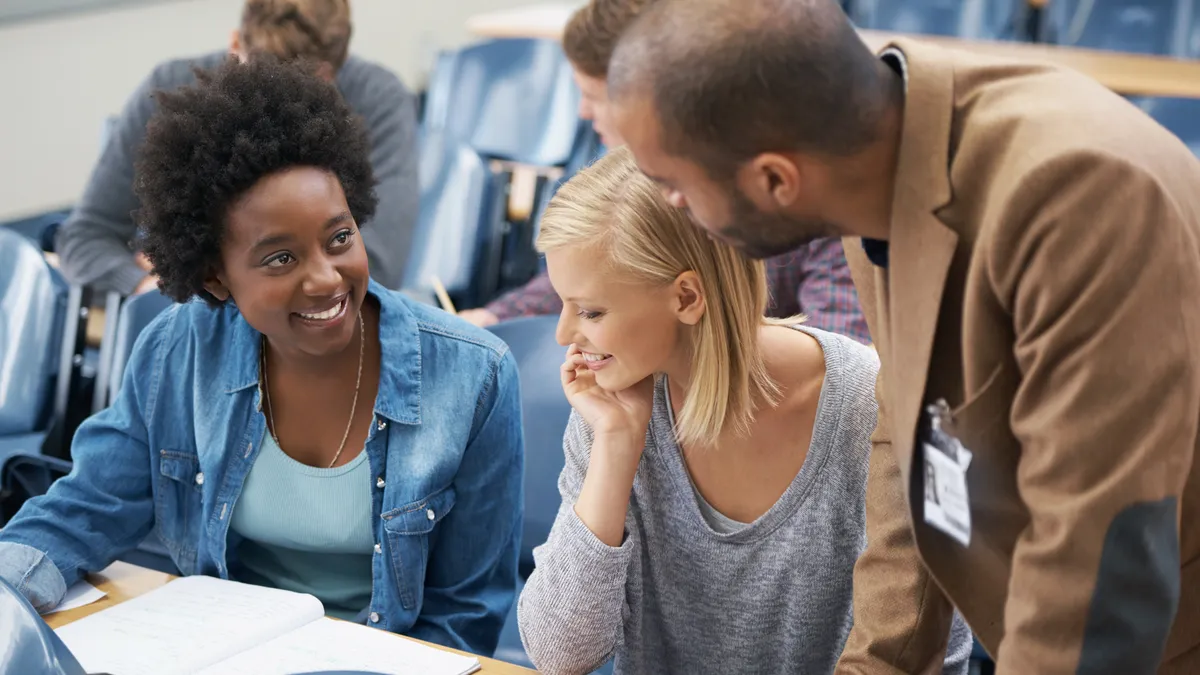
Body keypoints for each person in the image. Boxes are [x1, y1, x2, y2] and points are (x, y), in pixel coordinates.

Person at [605, 0, 1200, 673]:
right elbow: (912, 439)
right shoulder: (876, 161)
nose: (671, 209)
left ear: (776, 179)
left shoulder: (1078, 195)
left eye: (675, 186)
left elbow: (1099, 560)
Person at [0, 57, 522, 657]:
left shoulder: (473, 375)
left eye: (340, 238)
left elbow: (467, 615)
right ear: (215, 277)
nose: (326, 279)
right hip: (221, 653)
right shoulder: (178, 349)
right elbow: (86, 509)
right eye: (280, 258)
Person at [515, 147, 971, 674]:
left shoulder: (873, 407)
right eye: (563, 305)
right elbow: (558, 654)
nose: (563, 335)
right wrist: (616, 448)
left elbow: (936, 652)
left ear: (687, 298)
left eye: (591, 311)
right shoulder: (613, 406)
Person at [458, 0, 869, 345]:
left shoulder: (817, 196)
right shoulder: (639, 188)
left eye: (592, 96)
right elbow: (594, 270)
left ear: (652, 101)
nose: (583, 113)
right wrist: (498, 318)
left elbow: (841, 360)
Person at [55, 0, 419, 295]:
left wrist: (205, 281)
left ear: (333, 74)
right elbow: (85, 237)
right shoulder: (169, 89)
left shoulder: (379, 100)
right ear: (234, 47)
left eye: (305, 92)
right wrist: (145, 286)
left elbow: (377, 268)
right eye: (259, 85)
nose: (278, 112)